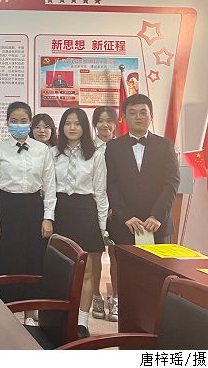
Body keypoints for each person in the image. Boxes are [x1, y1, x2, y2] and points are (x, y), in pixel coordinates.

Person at [0, 101, 55, 314]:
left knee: (32, 258)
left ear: (30, 122)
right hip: (6, 207)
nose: (19, 125)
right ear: (7, 123)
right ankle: (5, 309)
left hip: (33, 207)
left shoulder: (42, 150)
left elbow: (50, 185)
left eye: (23, 121)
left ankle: (30, 311)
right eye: (14, 121)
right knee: (6, 258)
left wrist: (48, 217)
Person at [52, 108, 108, 338]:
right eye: (68, 123)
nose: (72, 127)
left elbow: (100, 191)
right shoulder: (53, 153)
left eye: (77, 123)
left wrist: (102, 226)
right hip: (60, 210)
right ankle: (59, 316)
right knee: (59, 267)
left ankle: (82, 322)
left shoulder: (95, 155)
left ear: (85, 127)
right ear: (62, 127)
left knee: (85, 270)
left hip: (86, 211)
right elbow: (47, 188)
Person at [105, 94, 180, 247]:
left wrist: (157, 215)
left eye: (143, 112)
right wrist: (125, 216)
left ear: (151, 116)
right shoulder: (112, 147)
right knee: (123, 263)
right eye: (132, 113)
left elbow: (172, 182)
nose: (138, 117)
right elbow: (111, 185)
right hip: (124, 225)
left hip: (158, 225)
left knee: (159, 264)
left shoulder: (165, 145)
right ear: (124, 117)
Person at [91, 105, 119, 322]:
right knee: (94, 254)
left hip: (118, 210)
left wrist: (116, 207)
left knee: (116, 255)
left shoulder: (122, 147)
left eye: (109, 120)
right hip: (94, 207)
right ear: (94, 124)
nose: (105, 124)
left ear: (116, 124)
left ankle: (116, 298)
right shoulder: (88, 147)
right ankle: (96, 296)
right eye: (100, 120)